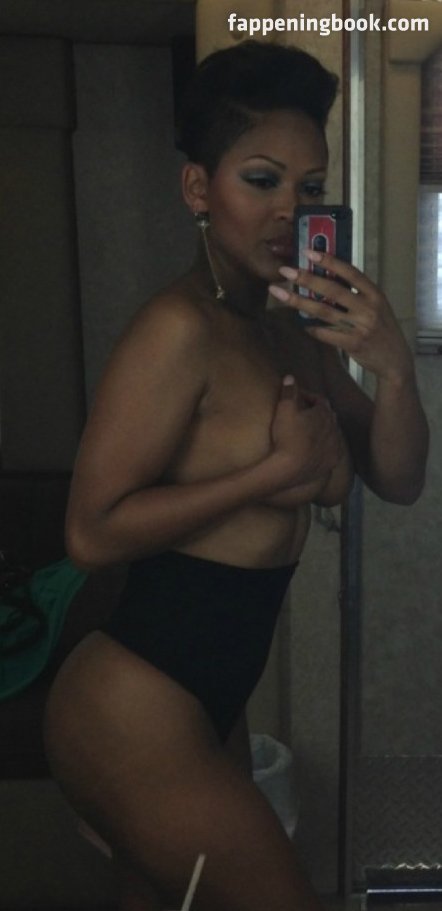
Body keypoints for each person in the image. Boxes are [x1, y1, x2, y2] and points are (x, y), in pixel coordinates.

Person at [44, 40, 429, 911]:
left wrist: (394, 367)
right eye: (262, 180)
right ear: (198, 189)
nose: (291, 210)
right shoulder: (177, 329)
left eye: (310, 187)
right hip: (128, 702)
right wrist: (271, 473)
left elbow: (399, 477)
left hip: (209, 699)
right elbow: (89, 532)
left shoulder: (290, 328)